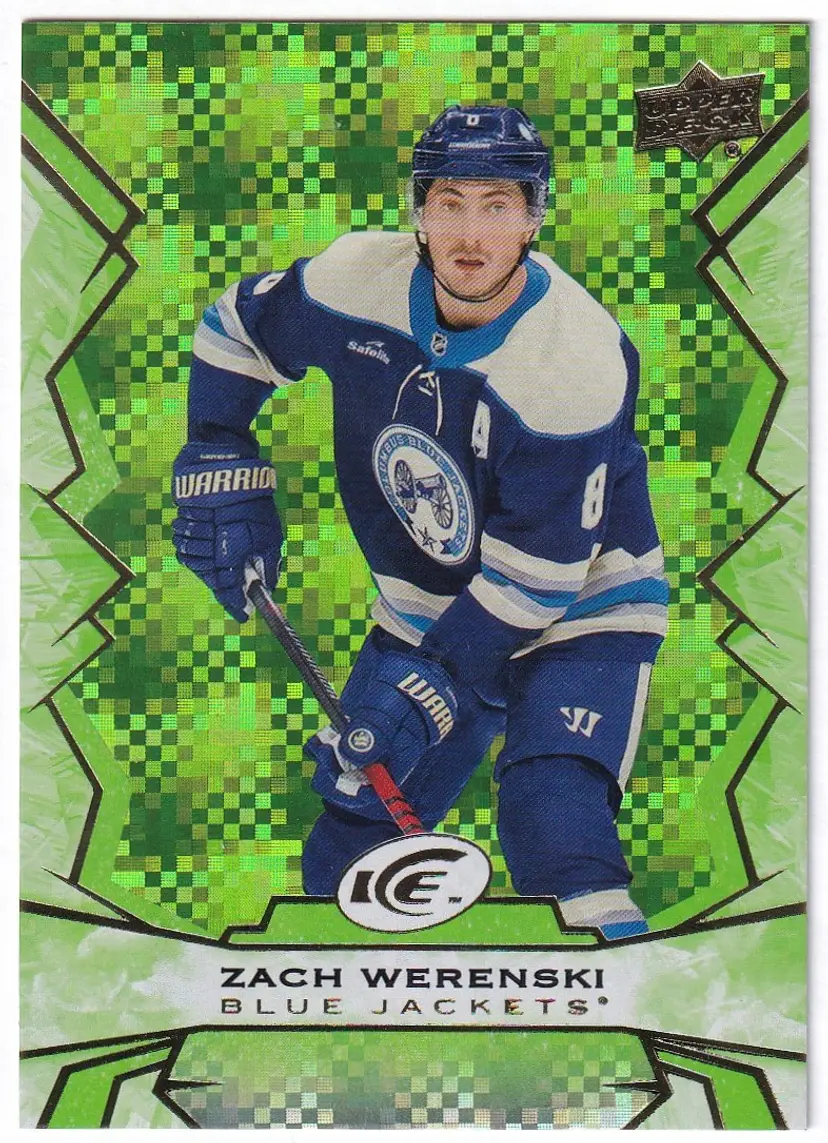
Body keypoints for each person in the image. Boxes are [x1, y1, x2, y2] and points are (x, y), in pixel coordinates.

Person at [171, 105, 668, 939]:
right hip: (428, 607)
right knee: (349, 849)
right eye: (450, 203)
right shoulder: (352, 280)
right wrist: (219, 453)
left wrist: (426, 684)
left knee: (554, 820)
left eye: (497, 206)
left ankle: (626, 987)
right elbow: (234, 327)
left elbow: (536, 582)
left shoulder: (575, 359)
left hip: (581, 612)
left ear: (535, 217)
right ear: (418, 209)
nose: (470, 234)